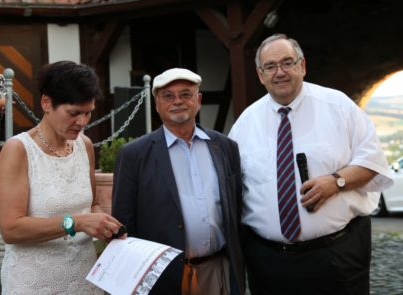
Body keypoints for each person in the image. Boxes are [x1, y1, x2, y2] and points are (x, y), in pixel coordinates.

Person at [228, 33, 393, 295]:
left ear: (302, 66)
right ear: (260, 75)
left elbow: (372, 162)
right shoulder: (245, 124)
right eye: (270, 66)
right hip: (269, 263)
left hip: (336, 257)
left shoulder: (338, 107)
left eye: (287, 62)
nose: (279, 72)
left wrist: (336, 181)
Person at [112, 68, 245, 295]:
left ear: (198, 100)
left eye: (185, 94)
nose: (178, 102)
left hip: (217, 271)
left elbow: (237, 208)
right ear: (156, 104)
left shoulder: (225, 147)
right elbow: (124, 225)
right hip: (163, 278)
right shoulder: (134, 154)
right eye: (168, 96)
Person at [0, 61, 122, 294]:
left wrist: (106, 225)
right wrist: (76, 222)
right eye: (74, 113)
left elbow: (91, 204)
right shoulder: (19, 150)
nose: (83, 122)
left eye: (88, 112)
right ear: (46, 103)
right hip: (34, 282)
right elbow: (11, 229)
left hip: (84, 278)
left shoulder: (84, 145)